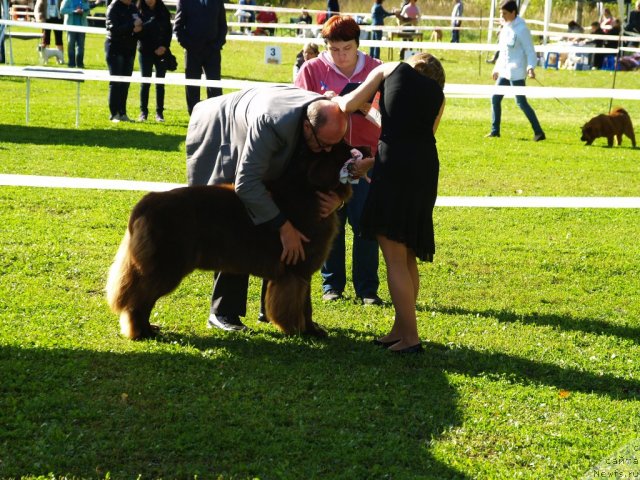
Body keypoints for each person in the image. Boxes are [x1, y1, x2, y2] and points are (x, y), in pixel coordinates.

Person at [186, 86, 349, 332]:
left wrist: (339, 197)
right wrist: (284, 228)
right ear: (307, 128)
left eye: (333, 145)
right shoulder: (272, 124)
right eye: (324, 144)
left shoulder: (328, 120)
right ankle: (223, 313)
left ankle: (275, 310)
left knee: (281, 221)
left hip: (272, 145)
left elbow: (341, 163)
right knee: (239, 225)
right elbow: (246, 184)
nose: (328, 151)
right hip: (226, 133)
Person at [334, 53, 445, 354]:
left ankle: (410, 336)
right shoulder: (439, 96)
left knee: (394, 257)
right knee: (407, 254)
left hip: (394, 169)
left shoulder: (389, 69)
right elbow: (415, 133)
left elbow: (346, 104)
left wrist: (337, 98)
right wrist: (372, 162)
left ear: (412, 63)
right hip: (424, 168)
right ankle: (401, 327)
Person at [295, 15, 384, 306]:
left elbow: (387, 115)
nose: (342, 55)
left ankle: (367, 289)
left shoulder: (376, 70)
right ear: (326, 46)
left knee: (366, 224)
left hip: (368, 159)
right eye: (335, 49)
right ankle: (331, 285)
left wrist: (362, 106)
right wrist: (324, 103)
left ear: (358, 45)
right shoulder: (311, 69)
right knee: (329, 221)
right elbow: (296, 110)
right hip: (326, 160)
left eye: (347, 48)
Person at [486, 0, 545, 142]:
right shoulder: (505, 28)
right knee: (495, 98)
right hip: (505, 71)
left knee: (521, 103)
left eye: (505, 13)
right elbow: (503, 51)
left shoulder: (522, 29)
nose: (502, 16)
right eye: (501, 13)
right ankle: (495, 131)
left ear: (513, 12)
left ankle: (539, 132)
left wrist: (530, 68)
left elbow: (530, 51)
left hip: (517, 72)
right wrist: (497, 69)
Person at [173, 0, 227, 115]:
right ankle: (193, 115)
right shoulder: (184, 2)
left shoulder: (217, 2)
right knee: (192, 86)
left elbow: (223, 25)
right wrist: (189, 46)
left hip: (212, 52)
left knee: (215, 85)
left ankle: (216, 115)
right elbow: (178, 27)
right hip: (192, 52)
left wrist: (217, 45)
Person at [105, 0, 142, 122]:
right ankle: (114, 113)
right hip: (116, 48)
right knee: (116, 82)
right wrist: (132, 26)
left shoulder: (133, 8)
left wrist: (139, 28)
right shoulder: (113, 8)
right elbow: (114, 29)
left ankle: (122, 112)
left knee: (126, 83)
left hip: (130, 49)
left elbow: (139, 25)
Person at [136, 0, 171, 122]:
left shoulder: (163, 11)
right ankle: (143, 112)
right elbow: (138, 34)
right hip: (145, 51)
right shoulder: (138, 12)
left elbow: (168, 32)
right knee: (145, 82)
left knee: (160, 83)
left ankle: (159, 112)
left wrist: (164, 47)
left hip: (161, 50)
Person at [59, 0, 89, 68]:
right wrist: (73, 11)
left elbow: (88, 11)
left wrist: (82, 12)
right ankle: (71, 63)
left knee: (81, 46)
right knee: (71, 45)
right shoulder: (67, 0)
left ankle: (80, 64)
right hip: (70, 26)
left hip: (82, 26)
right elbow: (62, 10)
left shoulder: (84, 1)